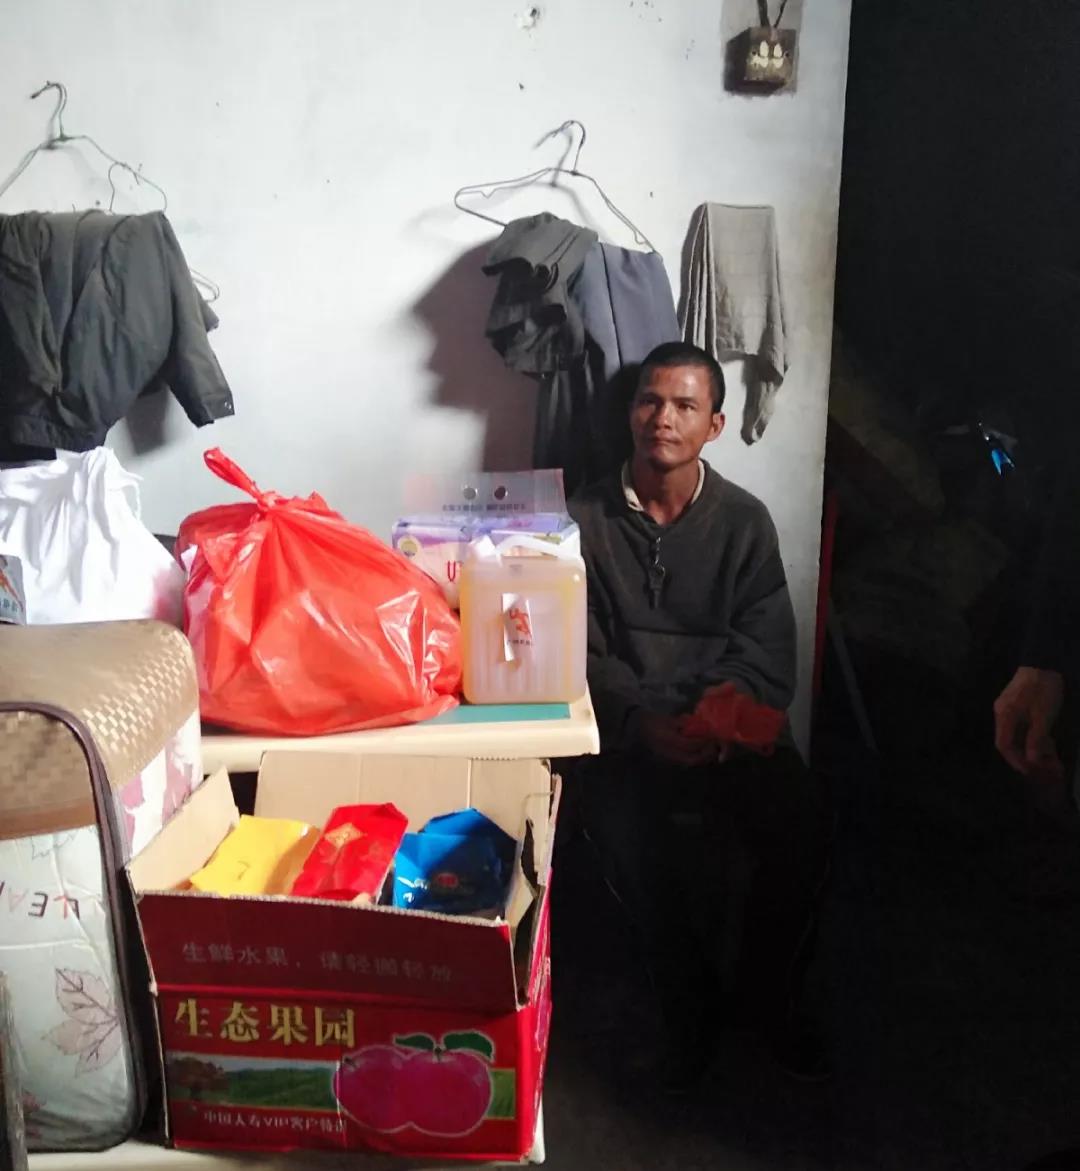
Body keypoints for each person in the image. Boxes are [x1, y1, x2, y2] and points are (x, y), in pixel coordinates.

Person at [568, 340, 828, 1088]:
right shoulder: (582, 517)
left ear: (714, 425)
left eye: (685, 405)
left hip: (723, 730)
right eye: (650, 401)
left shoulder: (744, 521)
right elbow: (575, 652)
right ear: (630, 413)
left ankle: (766, 999)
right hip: (630, 734)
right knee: (625, 839)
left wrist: (715, 718)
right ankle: (687, 1013)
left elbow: (766, 651)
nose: (664, 418)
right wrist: (639, 723)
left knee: (805, 827)